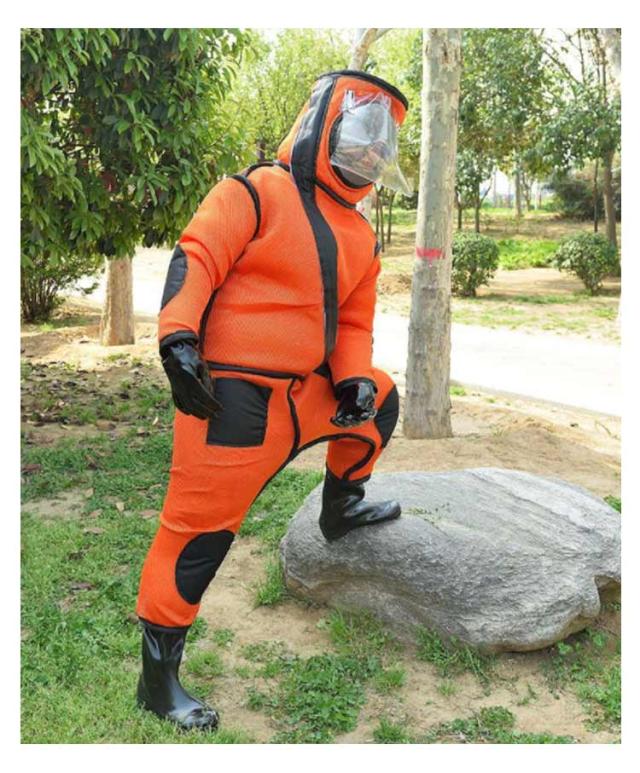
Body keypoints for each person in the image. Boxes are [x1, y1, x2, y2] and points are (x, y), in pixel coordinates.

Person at [135, 70, 410, 731]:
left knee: (381, 401)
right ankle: (157, 681)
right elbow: (196, 258)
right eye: (362, 138)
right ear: (324, 126)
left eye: (382, 146)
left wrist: (353, 379)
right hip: (233, 402)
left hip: (304, 396)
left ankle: (341, 506)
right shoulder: (255, 192)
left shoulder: (361, 236)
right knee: (196, 537)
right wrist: (178, 341)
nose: (371, 154)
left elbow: (353, 322)